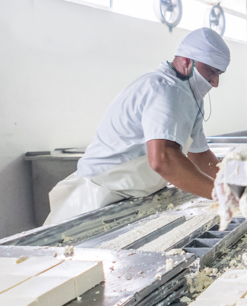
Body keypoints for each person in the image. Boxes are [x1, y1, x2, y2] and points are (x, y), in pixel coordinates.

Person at [45, 28, 230, 225]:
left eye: (219, 74)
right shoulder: (164, 89)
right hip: (98, 198)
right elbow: (163, 159)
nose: (215, 83)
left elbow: (199, 154)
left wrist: (235, 187)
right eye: (211, 72)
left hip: (130, 197)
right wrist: (224, 196)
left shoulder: (191, 97)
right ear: (186, 60)